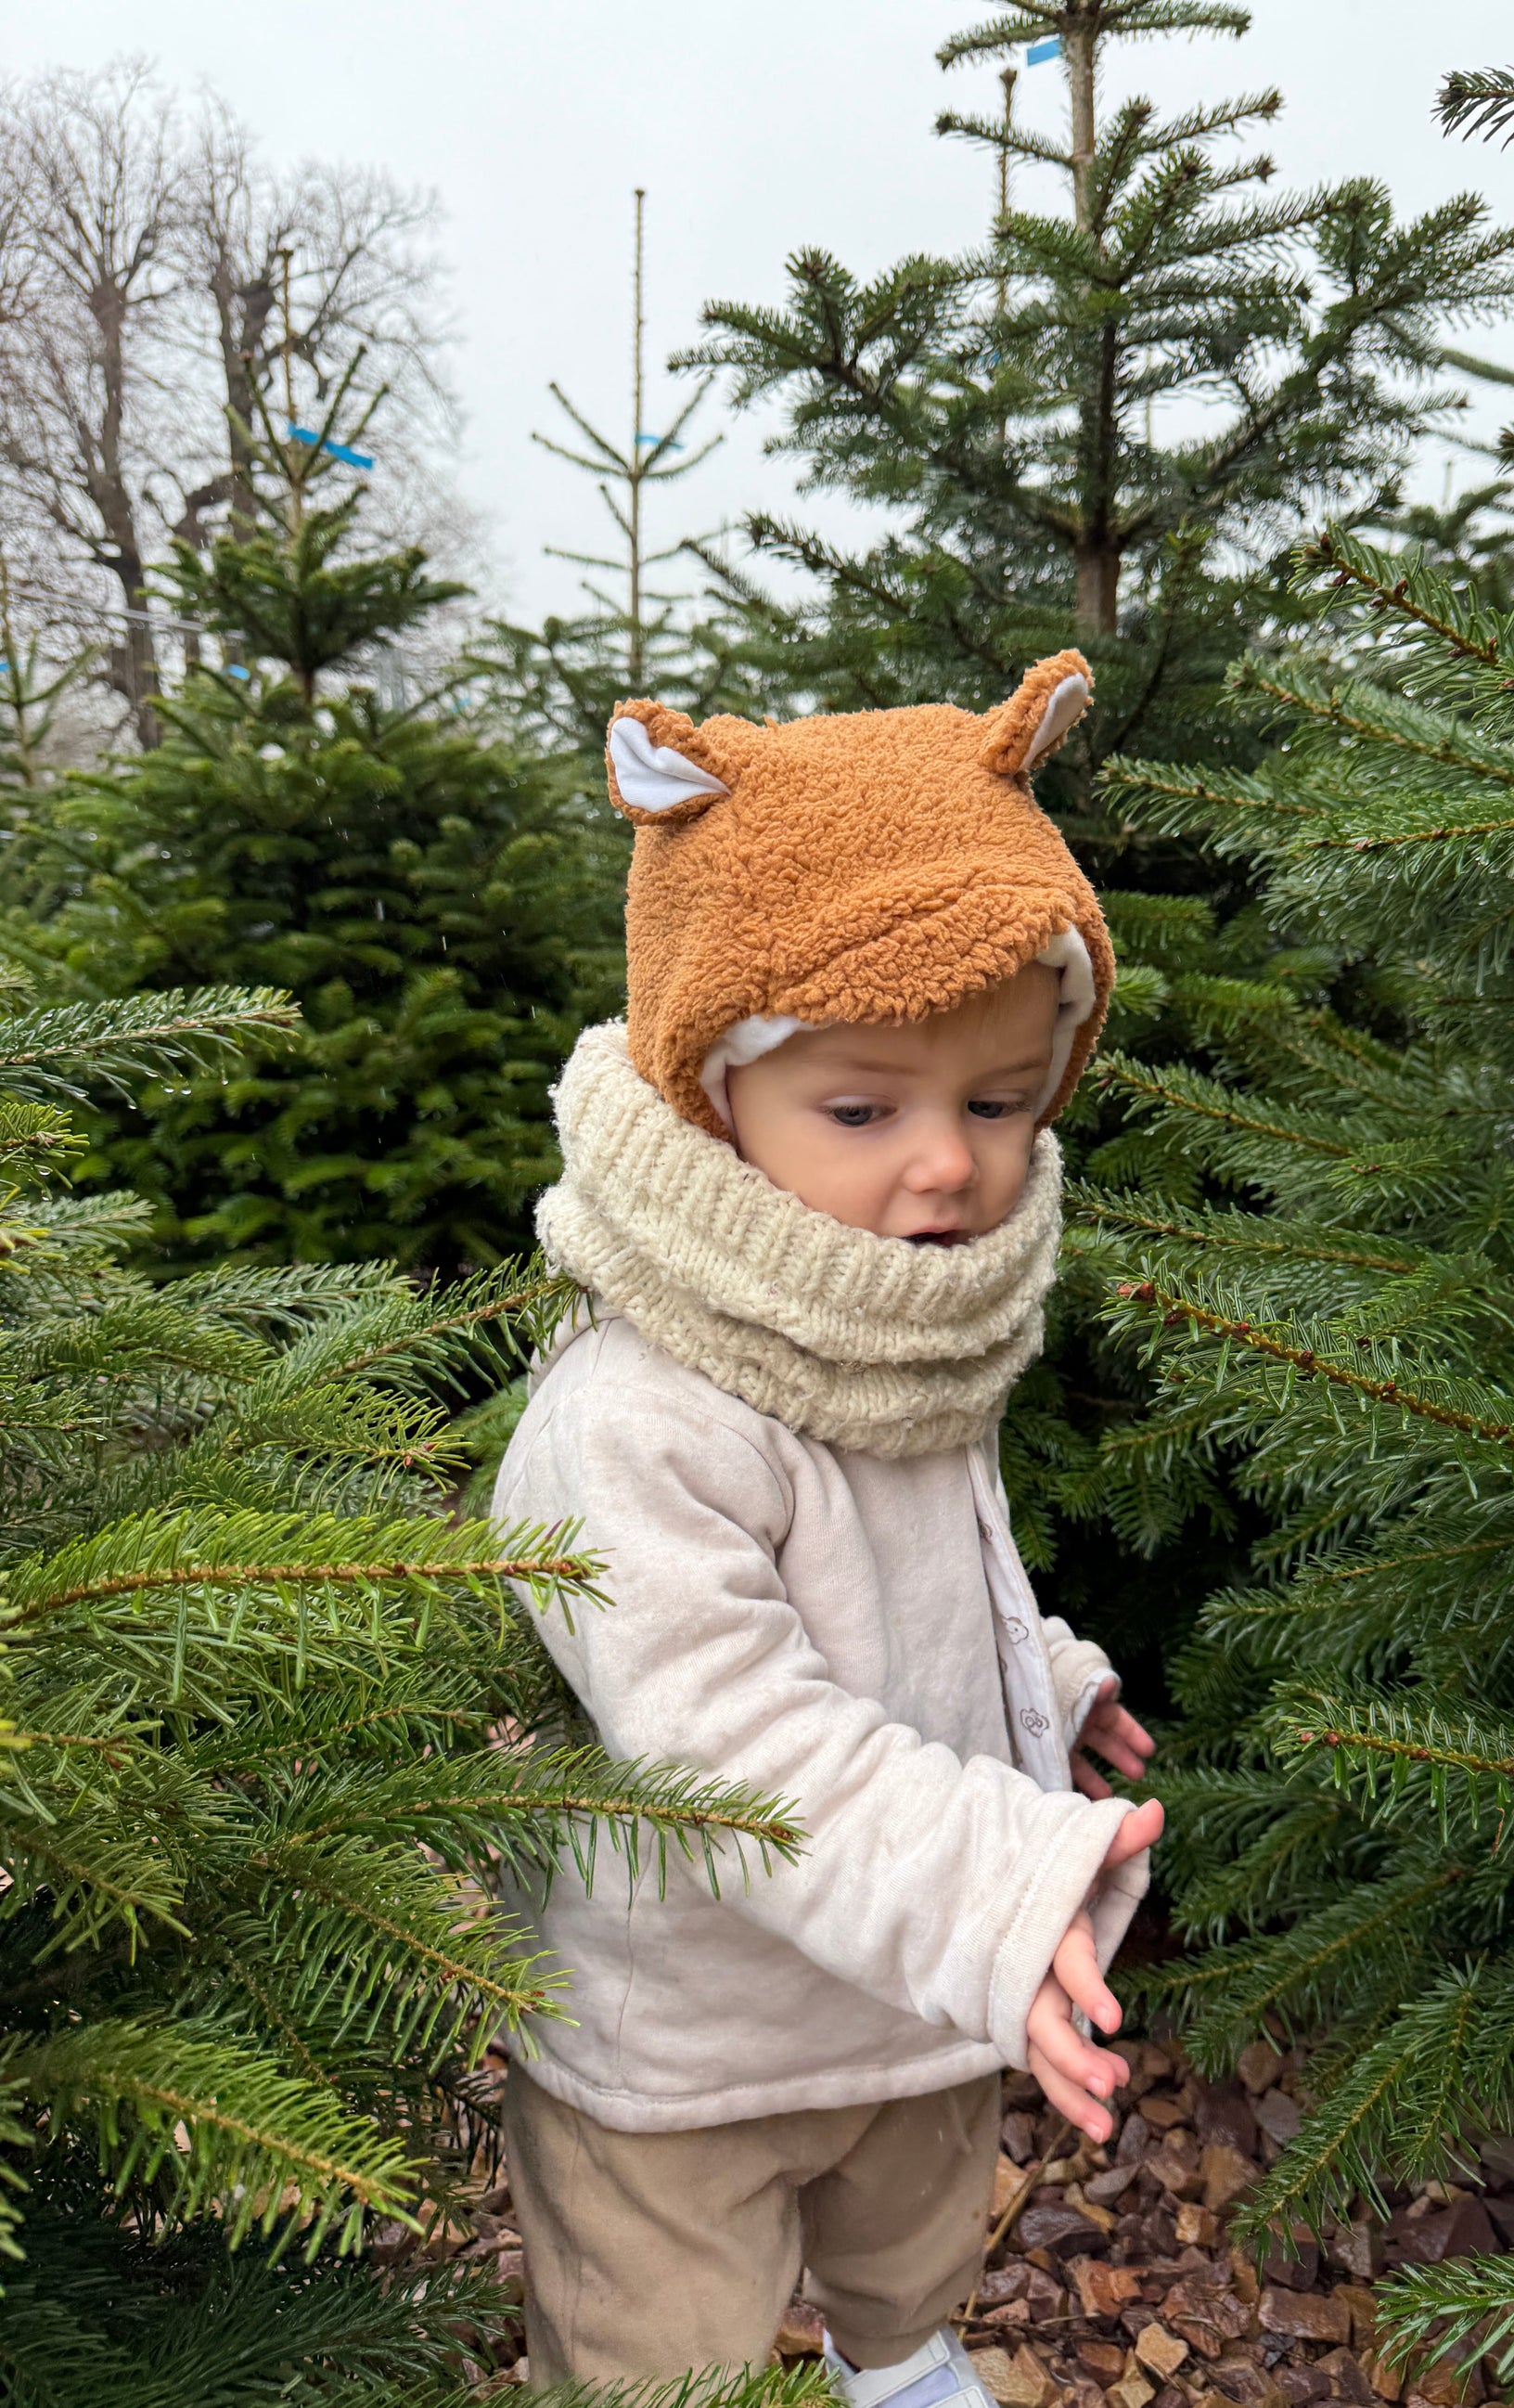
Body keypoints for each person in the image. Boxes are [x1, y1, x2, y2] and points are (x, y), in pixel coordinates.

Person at [494, 650, 1164, 2399]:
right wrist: (997, 1882)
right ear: (712, 1089)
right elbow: (730, 1738)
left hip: (902, 1987)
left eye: (998, 1101)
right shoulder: (635, 1416)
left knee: (909, 2231)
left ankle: (903, 2357)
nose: (946, 1168)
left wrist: (1043, 1680)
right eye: (862, 1109)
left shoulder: (906, 1317)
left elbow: (933, 1581)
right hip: (688, 2038)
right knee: (664, 2343)